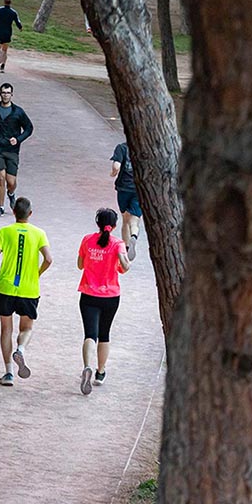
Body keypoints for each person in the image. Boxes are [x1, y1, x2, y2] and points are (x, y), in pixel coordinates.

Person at [0, 197, 52, 387]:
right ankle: (21, 349)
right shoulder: (39, 233)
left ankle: (8, 373)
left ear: (14, 212)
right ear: (30, 214)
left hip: (6, 288)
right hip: (29, 289)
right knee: (27, 328)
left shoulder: (4, 231)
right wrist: (37, 273)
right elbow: (49, 258)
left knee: (6, 329)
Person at [76, 207, 130, 396]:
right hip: (111, 296)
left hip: (89, 294)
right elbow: (125, 267)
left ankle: (86, 366)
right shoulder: (118, 244)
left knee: (90, 334)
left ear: (97, 223)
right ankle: (100, 372)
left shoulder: (87, 240)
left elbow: (80, 265)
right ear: (114, 226)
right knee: (104, 334)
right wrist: (120, 257)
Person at [0, 83, 34, 219]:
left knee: (11, 182)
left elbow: (29, 128)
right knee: (0, 177)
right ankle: (1, 207)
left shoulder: (18, 112)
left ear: (12, 95)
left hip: (11, 151)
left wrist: (18, 139)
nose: (5, 95)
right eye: (3, 92)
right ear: (0, 94)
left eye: (8, 93)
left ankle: (11, 193)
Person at [110, 141, 142, 259]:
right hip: (139, 189)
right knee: (134, 220)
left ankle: (126, 248)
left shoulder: (122, 148)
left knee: (125, 219)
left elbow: (116, 166)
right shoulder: (146, 147)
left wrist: (113, 173)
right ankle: (134, 235)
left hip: (123, 188)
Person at [0, 0, 23, 72]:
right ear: (10, 3)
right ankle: (2, 67)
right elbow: (18, 21)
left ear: (4, 2)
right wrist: (20, 28)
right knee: (5, 51)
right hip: (8, 33)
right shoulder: (13, 12)